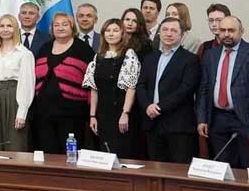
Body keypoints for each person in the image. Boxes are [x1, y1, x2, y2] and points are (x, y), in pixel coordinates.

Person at [196, 16, 249, 170]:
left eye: (231, 30)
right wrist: (202, 119)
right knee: (222, 168)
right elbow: (204, 88)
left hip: (247, 120)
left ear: (241, 31)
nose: (226, 34)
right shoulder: (211, 55)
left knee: (248, 168)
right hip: (217, 119)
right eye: (223, 30)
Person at [136, 17, 200, 163]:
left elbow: (185, 90)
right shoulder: (150, 58)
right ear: (159, 33)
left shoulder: (190, 59)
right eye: (165, 30)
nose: (168, 34)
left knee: (178, 170)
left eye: (173, 31)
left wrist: (158, 107)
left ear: (182, 35)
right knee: (155, 168)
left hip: (178, 126)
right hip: (152, 124)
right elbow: (141, 85)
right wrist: (147, 106)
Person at [30, 12, 94, 154]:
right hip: (44, 113)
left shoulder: (83, 49)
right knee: (47, 153)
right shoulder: (45, 48)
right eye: (56, 25)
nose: (60, 28)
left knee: (70, 154)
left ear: (72, 27)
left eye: (65, 24)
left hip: (73, 114)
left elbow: (92, 82)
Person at [83, 18, 140, 157]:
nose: (111, 33)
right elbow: (94, 89)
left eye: (115, 30)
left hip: (120, 112)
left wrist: (125, 113)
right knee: (103, 154)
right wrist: (92, 116)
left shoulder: (129, 54)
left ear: (122, 33)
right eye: (108, 30)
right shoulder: (98, 56)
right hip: (102, 114)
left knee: (120, 153)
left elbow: (131, 87)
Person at [0, 14, 34, 153]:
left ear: (15, 29)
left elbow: (27, 84)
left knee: (14, 140)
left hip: (14, 97)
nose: (5, 29)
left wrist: (22, 112)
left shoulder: (24, 53)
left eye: (9, 26)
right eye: (2, 26)